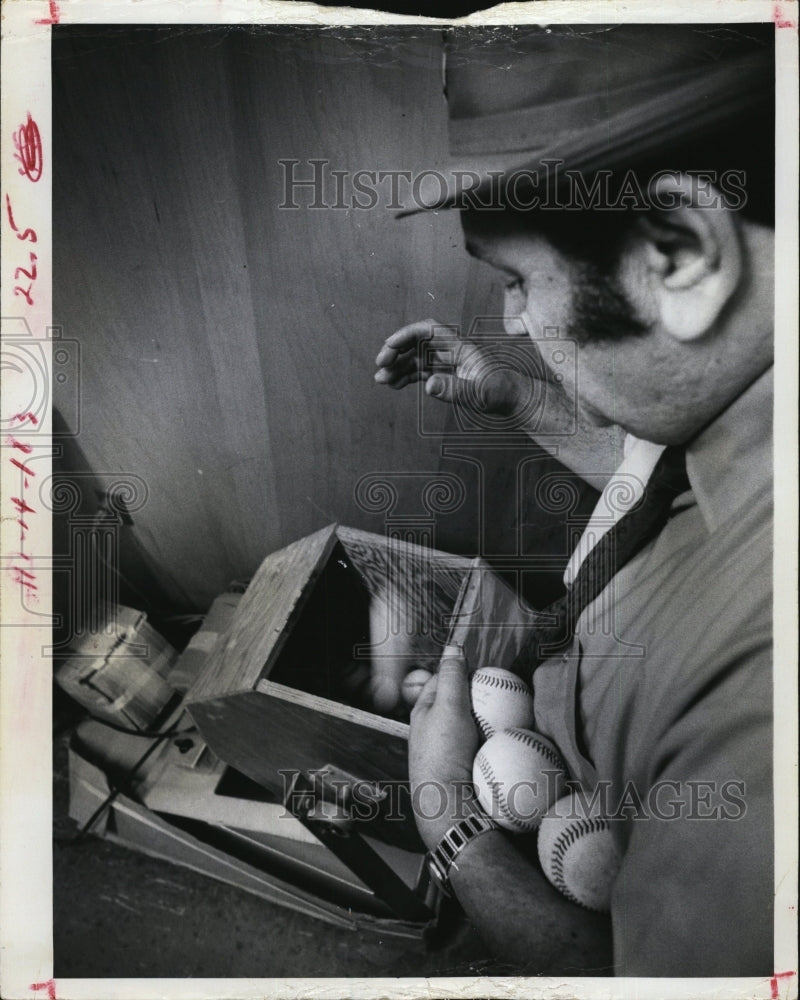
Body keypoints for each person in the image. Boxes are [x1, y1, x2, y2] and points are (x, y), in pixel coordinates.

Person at [373, 24, 774, 976]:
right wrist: (518, 394)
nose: (512, 320)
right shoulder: (739, 403)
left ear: (680, 251)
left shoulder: (761, 733)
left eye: (518, 281)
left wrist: (447, 818)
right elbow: (663, 502)